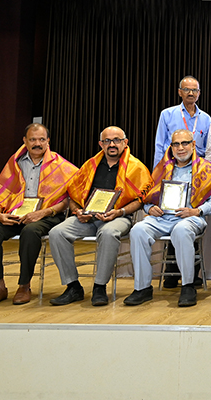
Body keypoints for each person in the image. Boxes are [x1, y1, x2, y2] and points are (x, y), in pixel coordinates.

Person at [49, 126, 153, 306]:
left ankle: (99, 286)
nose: (112, 144)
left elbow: (141, 200)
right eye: (107, 141)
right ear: (101, 144)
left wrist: (120, 212)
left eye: (116, 140)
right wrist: (77, 211)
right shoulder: (90, 166)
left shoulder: (136, 168)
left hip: (119, 217)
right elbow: (73, 195)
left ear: (125, 142)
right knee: (56, 233)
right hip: (87, 218)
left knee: (108, 233)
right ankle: (73, 286)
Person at [0, 124, 78, 306]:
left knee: (30, 231)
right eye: (32, 139)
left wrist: (43, 212)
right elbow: (0, 193)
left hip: (47, 215)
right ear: (25, 141)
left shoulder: (61, 165)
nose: (37, 143)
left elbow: (68, 199)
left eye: (41, 139)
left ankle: (24, 286)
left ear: (48, 141)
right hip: (16, 214)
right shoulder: (14, 163)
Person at [124, 130, 211, 307]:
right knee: (137, 230)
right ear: (171, 147)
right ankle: (142, 288)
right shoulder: (162, 168)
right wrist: (149, 208)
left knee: (181, 230)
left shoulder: (207, 169)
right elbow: (147, 197)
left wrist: (196, 211)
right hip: (161, 218)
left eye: (185, 143)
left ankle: (188, 286)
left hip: (190, 218)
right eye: (176, 144)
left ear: (193, 145)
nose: (180, 148)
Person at [153, 75, 211, 169]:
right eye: (186, 90)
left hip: (197, 167)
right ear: (180, 92)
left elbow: (209, 149)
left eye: (194, 90)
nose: (191, 93)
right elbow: (159, 145)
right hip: (172, 166)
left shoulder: (206, 119)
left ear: (199, 93)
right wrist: (157, 170)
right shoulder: (167, 114)